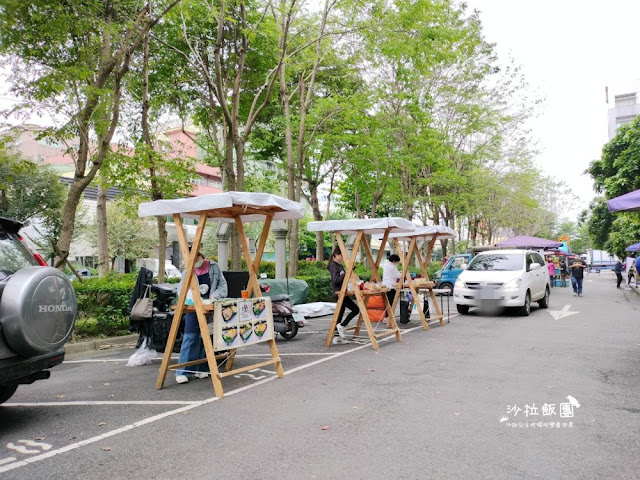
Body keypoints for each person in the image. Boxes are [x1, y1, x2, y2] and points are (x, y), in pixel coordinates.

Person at [175, 252, 228, 384]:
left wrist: (214, 297)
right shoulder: (188, 269)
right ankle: (183, 371)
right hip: (193, 308)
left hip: (209, 307)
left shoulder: (214, 267)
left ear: (201, 256)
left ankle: (203, 368)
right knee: (190, 337)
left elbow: (222, 285)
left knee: (207, 338)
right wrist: (189, 298)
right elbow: (180, 288)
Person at [328, 247, 359, 343]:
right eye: (341, 255)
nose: (342, 258)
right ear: (336, 255)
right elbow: (336, 280)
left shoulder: (339, 265)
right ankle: (341, 327)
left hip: (342, 292)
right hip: (338, 292)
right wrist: (346, 273)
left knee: (340, 314)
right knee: (355, 309)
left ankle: (336, 337)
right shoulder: (333, 265)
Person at [382, 254, 404, 323]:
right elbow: (399, 276)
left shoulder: (386, 265)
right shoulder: (392, 267)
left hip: (385, 285)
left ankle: (387, 317)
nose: (397, 263)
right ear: (394, 261)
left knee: (387, 302)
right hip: (391, 286)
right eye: (397, 262)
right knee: (391, 302)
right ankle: (387, 317)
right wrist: (403, 273)